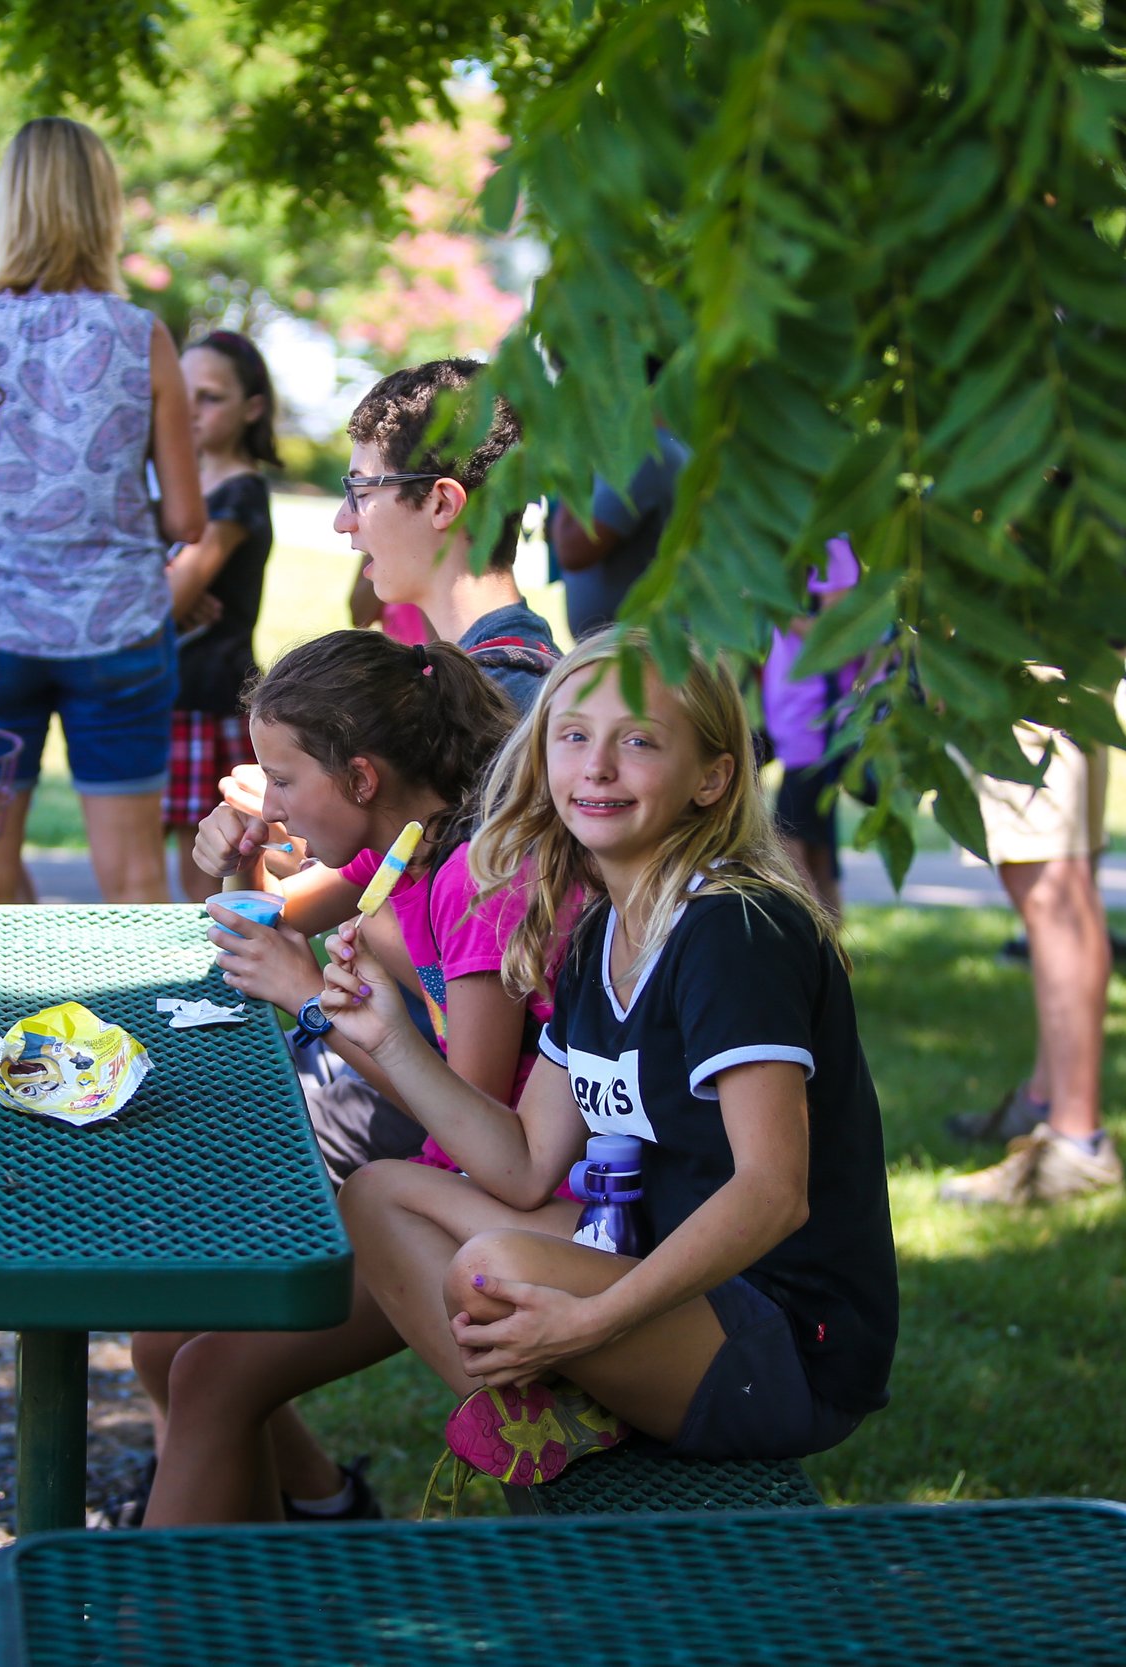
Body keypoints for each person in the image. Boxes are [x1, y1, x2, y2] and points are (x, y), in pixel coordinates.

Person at [316, 631, 893, 1485]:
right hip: (656, 1276)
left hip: (782, 1339)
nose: (598, 767)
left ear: (714, 777)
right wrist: (390, 1037)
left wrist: (589, 1326)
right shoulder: (601, 933)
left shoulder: (736, 928)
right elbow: (522, 1163)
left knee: (489, 1269)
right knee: (378, 1192)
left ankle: (568, 1392)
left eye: (640, 741)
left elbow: (775, 1193)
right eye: (574, 736)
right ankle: (543, 1414)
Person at [129, 631, 535, 1524]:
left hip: (475, 1216)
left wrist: (310, 996)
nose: (268, 798)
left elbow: (466, 1122)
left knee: (206, 1373)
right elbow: (265, 918)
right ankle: (305, 1534)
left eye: (282, 778)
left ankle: (158, 1620)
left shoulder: (476, 880)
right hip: (430, 1192)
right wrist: (238, 853)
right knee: (165, 1345)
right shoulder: (402, 847)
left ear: (359, 778)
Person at [0, 116, 204, 907]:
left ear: (10, 204)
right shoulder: (141, 336)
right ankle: (154, 1033)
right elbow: (186, 519)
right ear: (102, 207)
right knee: (136, 873)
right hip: (113, 628)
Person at [940, 703, 1126, 1203]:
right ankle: (1047, 1103)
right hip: (1061, 649)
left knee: (1051, 887)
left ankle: (1074, 1141)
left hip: (1023, 664)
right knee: (1065, 879)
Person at [339, 359, 559, 713]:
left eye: (361, 492)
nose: (342, 521)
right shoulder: (516, 670)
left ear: (442, 504)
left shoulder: (495, 706)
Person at [162, 330, 278, 903]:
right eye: (181, 394)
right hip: (166, 693)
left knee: (204, 871)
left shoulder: (239, 492)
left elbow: (170, 598)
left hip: (208, 699)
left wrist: (168, 594)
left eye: (209, 396)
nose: (190, 410)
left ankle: (216, 985)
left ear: (251, 408)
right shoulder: (178, 487)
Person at [761, 537, 863, 915]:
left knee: (789, 846)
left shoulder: (831, 544)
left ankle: (809, 945)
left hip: (817, 726)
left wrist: (772, 601)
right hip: (798, 725)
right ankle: (829, 957)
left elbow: (840, 637)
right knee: (816, 854)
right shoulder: (805, 543)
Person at [550, 426, 691, 640]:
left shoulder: (644, 455)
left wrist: (576, 463)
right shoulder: (644, 449)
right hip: (624, 652)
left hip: (636, 654)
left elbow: (571, 549)